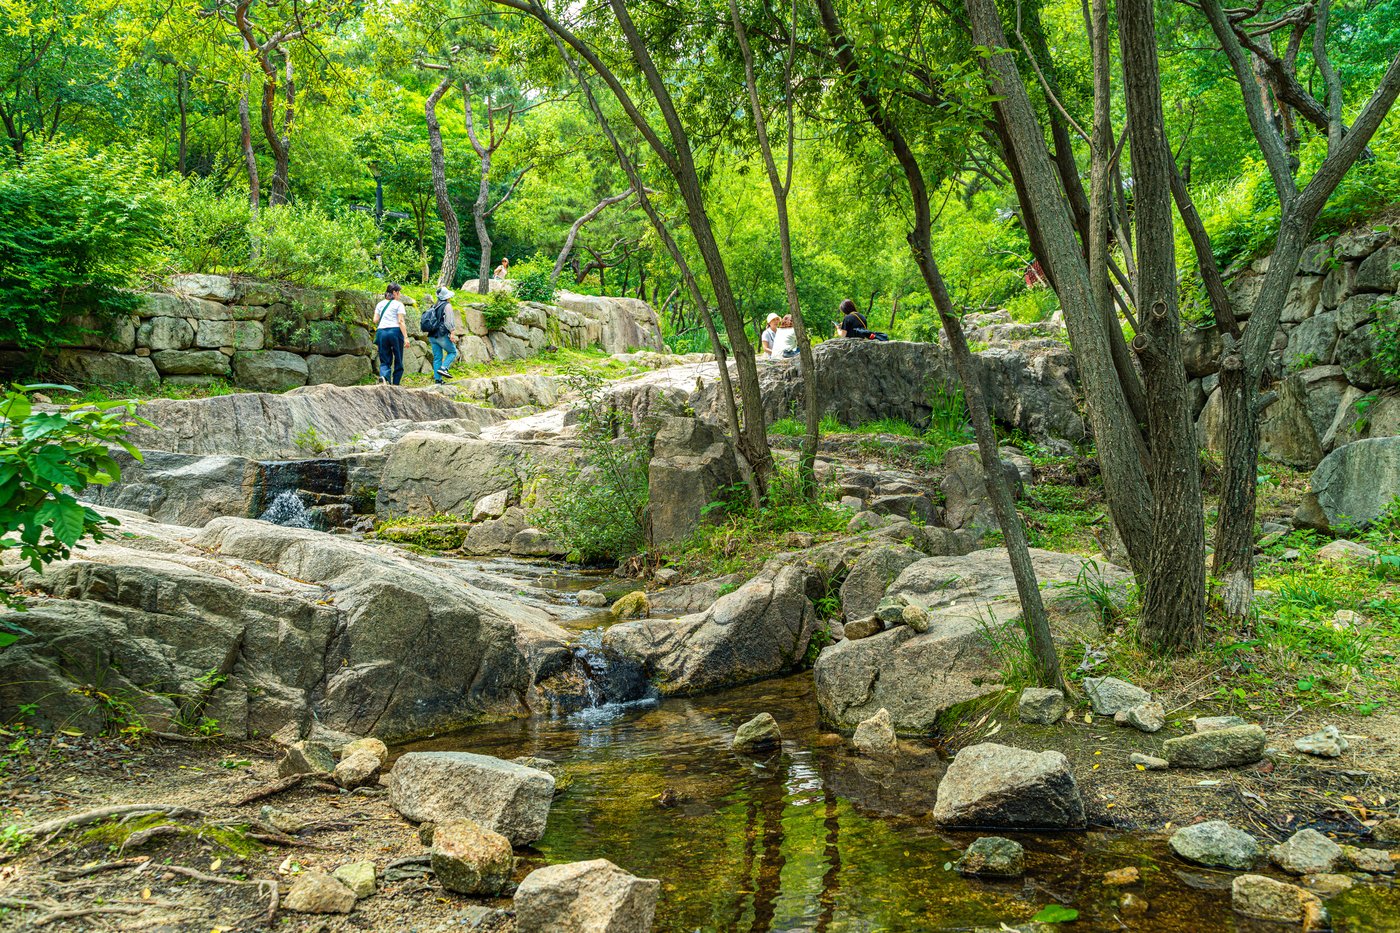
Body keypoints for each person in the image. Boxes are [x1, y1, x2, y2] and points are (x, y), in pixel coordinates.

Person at [374, 283, 407, 385]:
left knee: (384, 358)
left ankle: (384, 377)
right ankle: (396, 384)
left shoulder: (380, 304)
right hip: (395, 332)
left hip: (382, 332)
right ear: (394, 293)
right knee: (398, 357)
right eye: (399, 292)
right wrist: (406, 337)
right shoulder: (398, 304)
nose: (400, 294)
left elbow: (375, 320)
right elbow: (400, 321)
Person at [427, 285, 459, 384]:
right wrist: (452, 333)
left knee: (437, 357)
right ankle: (444, 368)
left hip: (432, 335)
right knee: (453, 352)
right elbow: (448, 322)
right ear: (447, 296)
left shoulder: (434, 305)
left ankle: (438, 380)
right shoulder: (447, 305)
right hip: (441, 335)